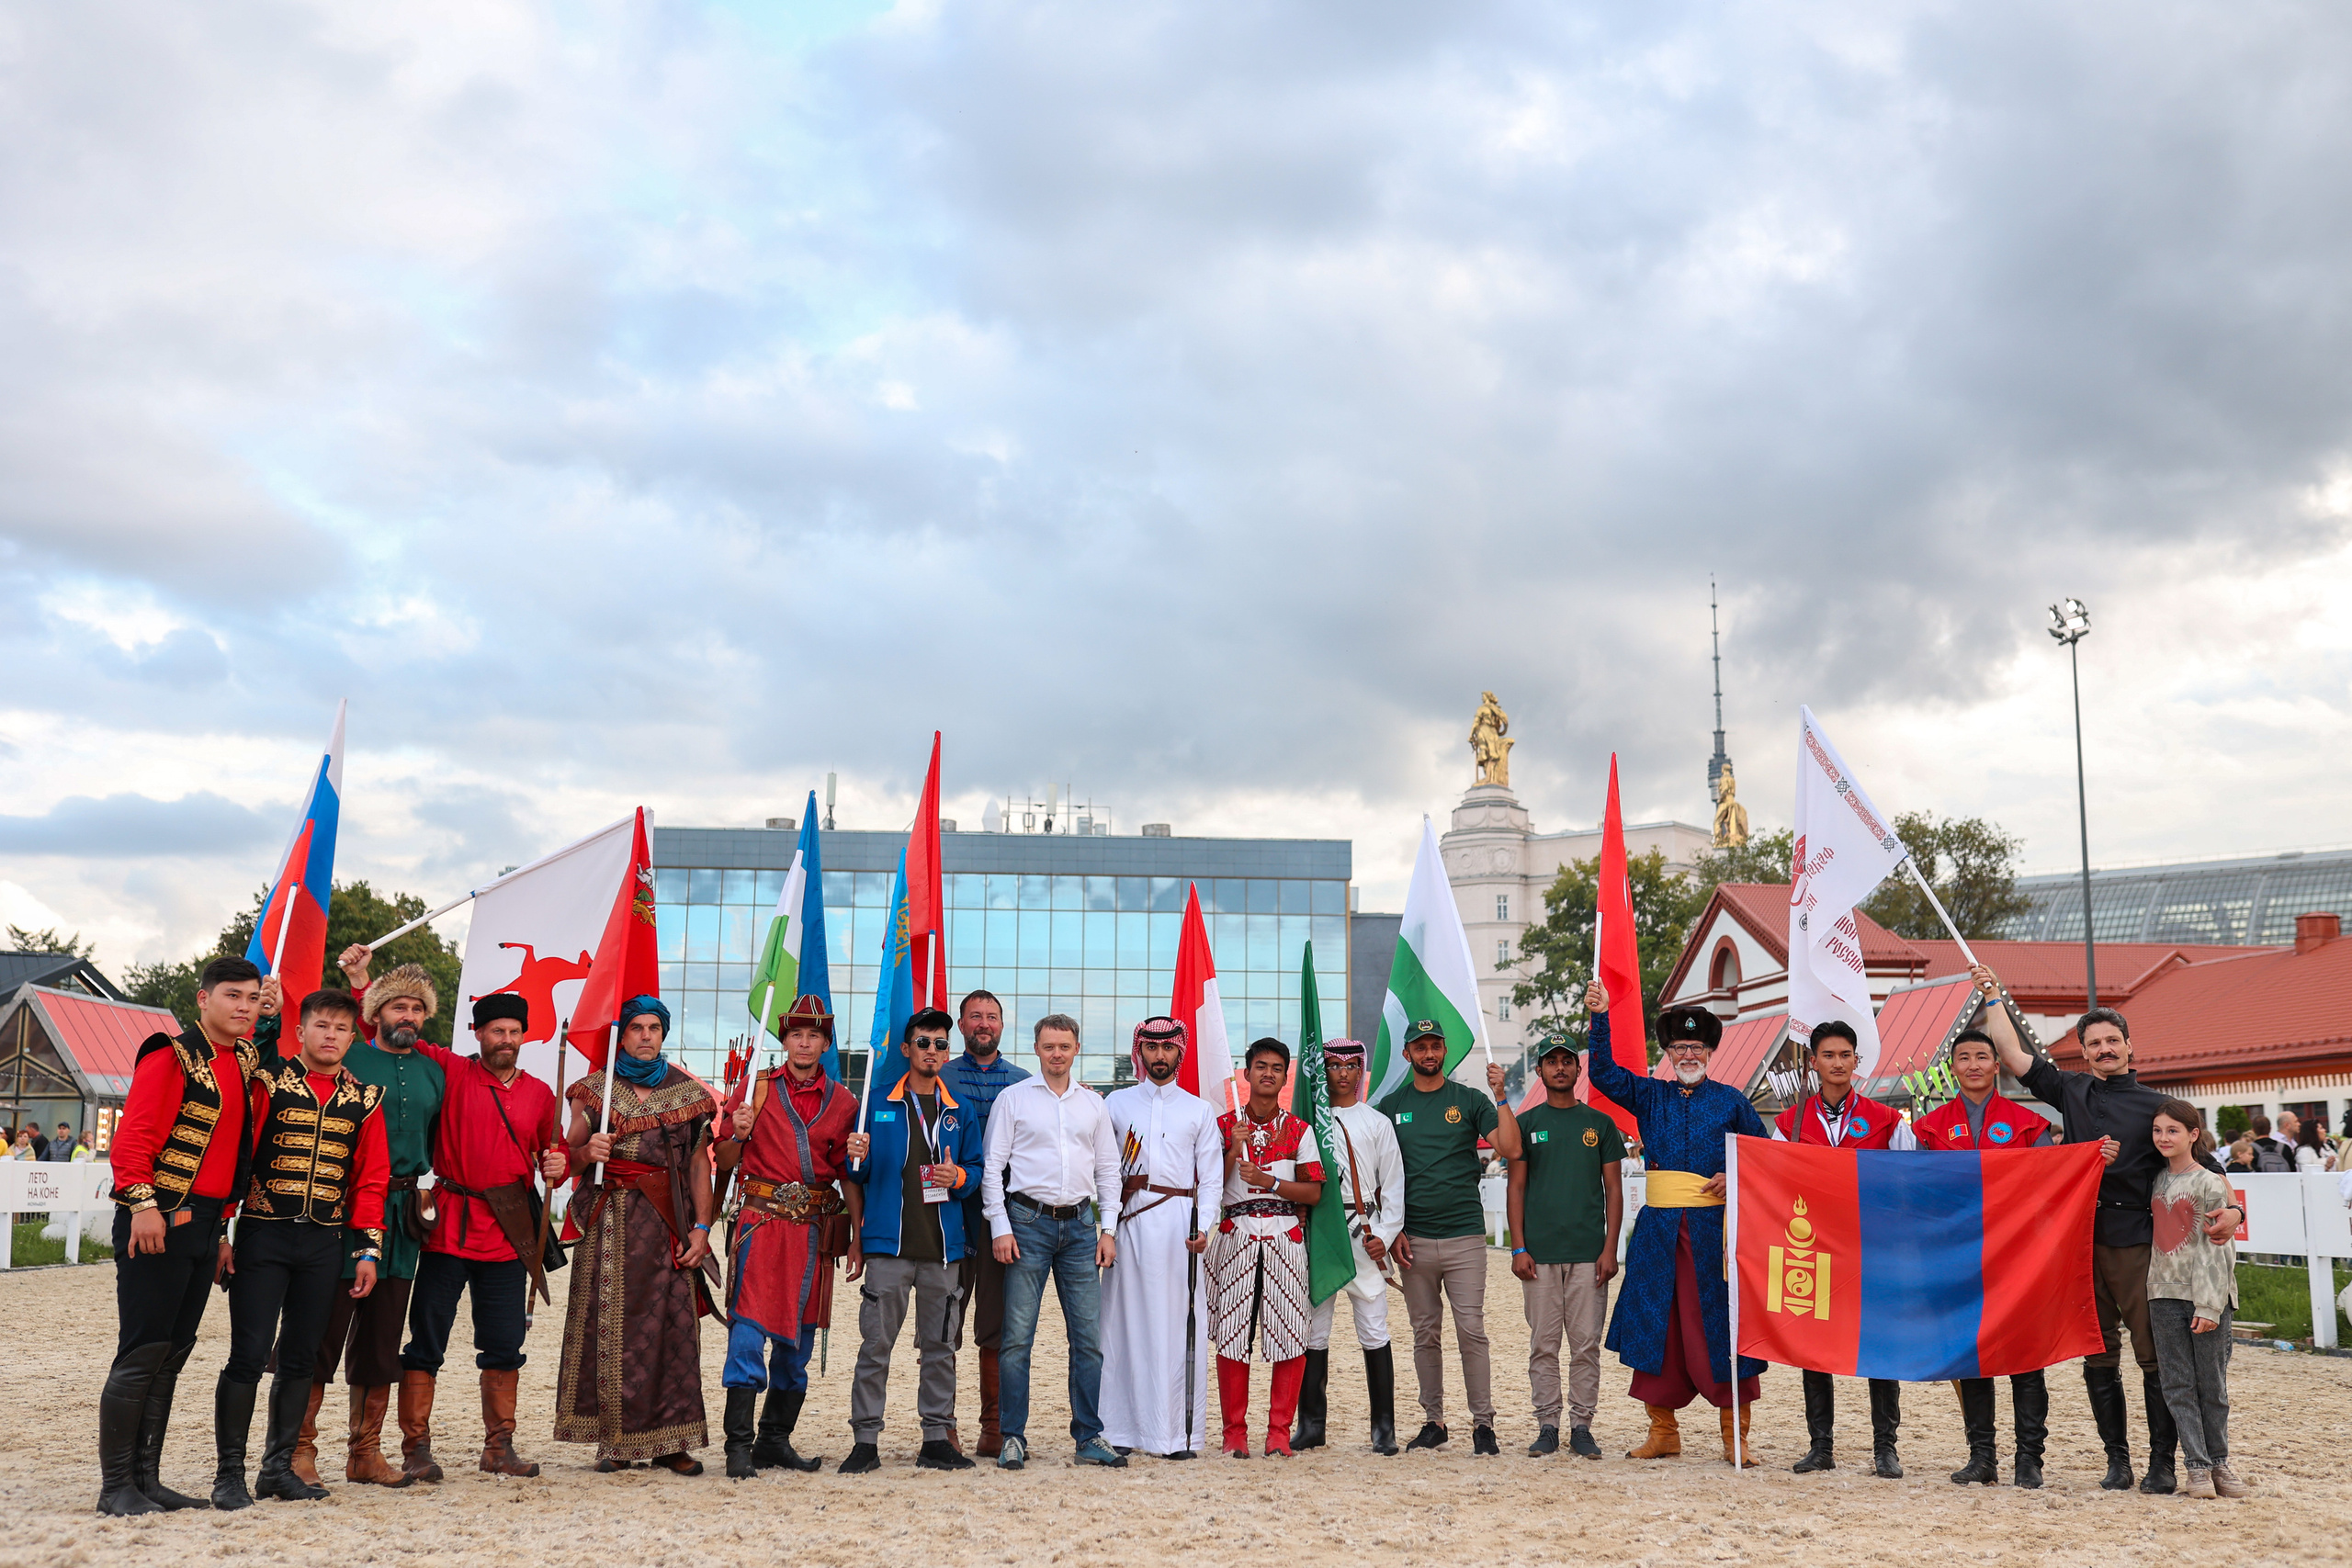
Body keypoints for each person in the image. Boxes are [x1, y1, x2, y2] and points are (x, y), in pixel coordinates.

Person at [1971, 964, 2241, 1495]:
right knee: (2099, 1355)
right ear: (2084, 1051)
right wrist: (1994, 996)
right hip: (2077, 1241)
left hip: (2140, 1243)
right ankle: (2117, 1460)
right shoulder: (2068, 1088)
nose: (2103, 1049)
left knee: (2154, 1357)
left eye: (2112, 1040)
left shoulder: (2156, 1106)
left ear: (2128, 1046)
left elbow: (2206, 1165)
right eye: (2093, 1043)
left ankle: (2161, 1462)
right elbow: (2014, 1054)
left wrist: (2236, 1213)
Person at [96, 956, 264, 1517]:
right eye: (232, 996)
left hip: (206, 1223)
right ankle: (115, 1485)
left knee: (172, 1353)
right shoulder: (170, 1053)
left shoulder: (243, 1059)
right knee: (142, 1351)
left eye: (252, 998)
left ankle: (147, 1480)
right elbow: (134, 1137)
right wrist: (142, 1205)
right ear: (203, 999)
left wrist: (221, 1230)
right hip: (158, 1219)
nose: (243, 1007)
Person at [210, 988, 390, 1509]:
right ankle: (228, 1475)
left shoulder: (364, 1100)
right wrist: (223, 1232)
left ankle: (276, 1469)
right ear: (301, 1031)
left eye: (340, 1029)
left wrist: (367, 1251)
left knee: (302, 1359)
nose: (330, 1036)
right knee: (247, 1354)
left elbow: (370, 1181)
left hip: (324, 1242)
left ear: (352, 1038)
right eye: (321, 1026)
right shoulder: (267, 1084)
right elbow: (237, 1158)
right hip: (264, 1235)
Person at [280, 952, 447, 1489]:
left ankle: (365, 1453)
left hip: (403, 1218)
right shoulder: (350, 1057)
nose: (409, 1016)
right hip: (342, 1209)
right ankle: (298, 1450)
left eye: (418, 1009)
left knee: (382, 1337)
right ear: (375, 1013)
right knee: (322, 1330)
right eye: (398, 1006)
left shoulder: (432, 1070)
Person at [1585, 989, 1768, 1465]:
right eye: (1680, 1049)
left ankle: (1735, 1438)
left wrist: (1738, 1172)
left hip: (1717, 1233)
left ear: (1709, 1053)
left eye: (1697, 1049)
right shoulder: (1649, 1094)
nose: (1689, 1055)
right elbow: (1602, 1074)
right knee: (1657, 1328)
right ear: (1667, 1055)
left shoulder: (1732, 1102)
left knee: (1724, 1327)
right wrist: (1600, 1016)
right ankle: (1663, 1432)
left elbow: (1764, 1156)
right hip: (1658, 1233)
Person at [395, 991, 566, 1483]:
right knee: (426, 1341)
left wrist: (560, 1162)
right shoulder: (450, 1069)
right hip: (448, 1229)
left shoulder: (539, 1094)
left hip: (507, 1236)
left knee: (505, 1344)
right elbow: (394, 1033)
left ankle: (498, 1449)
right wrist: (364, 985)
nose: (506, 1040)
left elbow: (551, 1157)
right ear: (478, 1034)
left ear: (524, 1036)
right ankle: (415, 1450)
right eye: (497, 1031)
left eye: (514, 1032)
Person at [557, 996, 721, 1473]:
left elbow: (697, 1166)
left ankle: (671, 1442)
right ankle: (613, 1442)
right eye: (636, 1028)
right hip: (611, 1218)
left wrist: (701, 1229)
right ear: (621, 1036)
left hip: (670, 1219)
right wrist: (589, 1150)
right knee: (609, 1324)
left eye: (654, 1028)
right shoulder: (595, 1088)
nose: (646, 1036)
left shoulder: (687, 1093)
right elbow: (567, 1149)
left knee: (672, 1328)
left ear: (663, 1034)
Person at [713, 995, 865, 1478]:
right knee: (747, 1334)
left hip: (813, 1236)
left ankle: (774, 1442)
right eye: (797, 1034)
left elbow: (849, 1178)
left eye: (814, 1035)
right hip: (761, 1226)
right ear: (786, 1040)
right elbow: (724, 1160)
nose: (805, 1042)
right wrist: (737, 1134)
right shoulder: (755, 1088)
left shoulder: (844, 1102)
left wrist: (857, 1236)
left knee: (798, 1346)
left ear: (825, 1043)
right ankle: (738, 1444)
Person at [1909, 1026, 2055, 1487]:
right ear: (1952, 1068)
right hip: (1955, 1259)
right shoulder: (1928, 1128)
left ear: (1997, 1066)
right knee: (1970, 1355)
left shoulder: (2029, 1124)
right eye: (1963, 1057)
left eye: (1982, 1056)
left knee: (2025, 1356)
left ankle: (2029, 1460)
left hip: (2017, 1257)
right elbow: (1915, 1191)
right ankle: (1982, 1456)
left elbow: (2049, 1182)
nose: (1973, 1064)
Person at [840, 1008, 982, 1474]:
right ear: (906, 1049)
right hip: (889, 1247)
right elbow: (855, 1176)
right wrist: (853, 1157)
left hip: (943, 1250)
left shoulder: (959, 1111)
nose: (933, 1051)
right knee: (876, 1346)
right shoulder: (876, 1103)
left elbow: (978, 1171)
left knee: (941, 1348)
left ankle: (937, 1438)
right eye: (924, 1042)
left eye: (941, 1044)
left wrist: (958, 1174)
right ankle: (865, 1441)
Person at [980, 1013, 1124, 1471]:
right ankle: (1012, 1437)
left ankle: (1089, 1436)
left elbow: (1107, 1171)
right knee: (1017, 1339)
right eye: (1049, 1046)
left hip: (1081, 1228)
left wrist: (1109, 1229)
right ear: (1036, 1049)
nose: (1057, 1054)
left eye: (1064, 1046)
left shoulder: (1093, 1105)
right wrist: (1000, 1226)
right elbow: (991, 1169)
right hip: (1027, 1224)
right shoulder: (1013, 1099)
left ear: (1076, 1049)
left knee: (1088, 1340)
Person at [1775, 1019, 1914, 1480]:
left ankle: (1885, 1448)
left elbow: (1912, 1180)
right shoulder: (1788, 1123)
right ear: (1813, 1062)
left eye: (1845, 1055)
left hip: (1873, 1251)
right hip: (1812, 1250)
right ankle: (1821, 1446)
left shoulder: (1887, 1120)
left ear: (1858, 1061)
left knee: (1882, 1347)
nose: (1838, 1063)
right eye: (1828, 1055)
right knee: (1814, 1346)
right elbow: (1770, 1179)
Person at [1377, 1019, 1521, 1454]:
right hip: (1412, 1240)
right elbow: (1379, 1174)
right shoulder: (1390, 1105)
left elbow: (1511, 1149)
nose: (1429, 1054)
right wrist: (1392, 1229)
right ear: (1407, 1054)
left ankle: (1484, 1425)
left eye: (1435, 1046)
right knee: (1425, 1335)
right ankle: (1434, 1420)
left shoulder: (1470, 1099)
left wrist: (1501, 1096)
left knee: (1471, 1331)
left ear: (1444, 1050)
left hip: (1464, 1237)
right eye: (1420, 1047)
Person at [1099, 1017, 1221, 1460]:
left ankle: (1173, 1437)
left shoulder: (1198, 1109)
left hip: (1179, 1232)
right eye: (1151, 1048)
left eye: (1167, 1048)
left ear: (1179, 1052)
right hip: (1128, 1227)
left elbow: (1210, 1180)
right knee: (1122, 1327)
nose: (1159, 1056)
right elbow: (1106, 1173)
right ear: (1140, 1052)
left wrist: (1203, 1226)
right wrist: (1108, 1227)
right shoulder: (1116, 1105)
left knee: (1175, 1328)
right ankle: (1119, 1431)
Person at [1507, 1040, 1625, 1461]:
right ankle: (1547, 1424)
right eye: (1551, 1062)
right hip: (1538, 1255)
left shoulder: (1600, 1124)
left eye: (1567, 1061)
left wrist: (1610, 1248)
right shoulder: (1526, 1122)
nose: (1560, 1068)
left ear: (1578, 1070)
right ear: (1539, 1071)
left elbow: (1613, 1190)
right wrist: (1518, 1246)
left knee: (1586, 1344)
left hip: (1588, 1253)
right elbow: (1515, 1187)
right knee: (1543, 1343)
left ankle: (1582, 1426)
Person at [1207, 1038, 1326, 1459]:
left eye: (1277, 1067)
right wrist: (1232, 1149)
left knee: (1291, 1332)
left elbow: (1312, 1192)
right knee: (1232, 1331)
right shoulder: (1222, 1125)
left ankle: (1278, 1432)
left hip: (1284, 1232)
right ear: (1247, 1071)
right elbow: (1208, 1187)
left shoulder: (1299, 1129)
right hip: (1235, 1230)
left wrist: (1270, 1182)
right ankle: (1233, 1434)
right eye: (1261, 1066)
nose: (1269, 1074)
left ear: (1285, 1075)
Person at [1300, 1036, 1405, 1455]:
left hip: (1364, 1232)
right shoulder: (1309, 1120)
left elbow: (1393, 1185)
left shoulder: (1377, 1123)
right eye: (1333, 1066)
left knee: (1374, 1329)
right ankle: (1311, 1425)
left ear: (1359, 1072)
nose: (1342, 1074)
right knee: (1314, 1329)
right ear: (1323, 1071)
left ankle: (1384, 1428)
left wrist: (1385, 1233)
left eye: (1349, 1067)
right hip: (1321, 1232)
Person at [941, 989, 1028, 1456]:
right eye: (975, 1016)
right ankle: (943, 1424)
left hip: (1002, 1221)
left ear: (1001, 1025)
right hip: (947, 1216)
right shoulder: (939, 1076)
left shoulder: (1024, 1083)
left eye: (992, 1016)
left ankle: (993, 1426)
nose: (984, 1023)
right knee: (944, 1320)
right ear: (960, 1023)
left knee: (996, 1323)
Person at [2146, 1100, 2246, 1500]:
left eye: (2172, 1130)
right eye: (2157, 1130)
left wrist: (2209, 1304)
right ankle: (2197, 1466)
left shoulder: (2211, 1182)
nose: (2164, 1138)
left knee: (2212, 1385)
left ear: (2193, 1134)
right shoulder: (2155, 1181)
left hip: (2206, 1297)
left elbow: (2218, 1249)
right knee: (2177, 1384)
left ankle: (2220, 1460)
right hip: (2162, 1295)